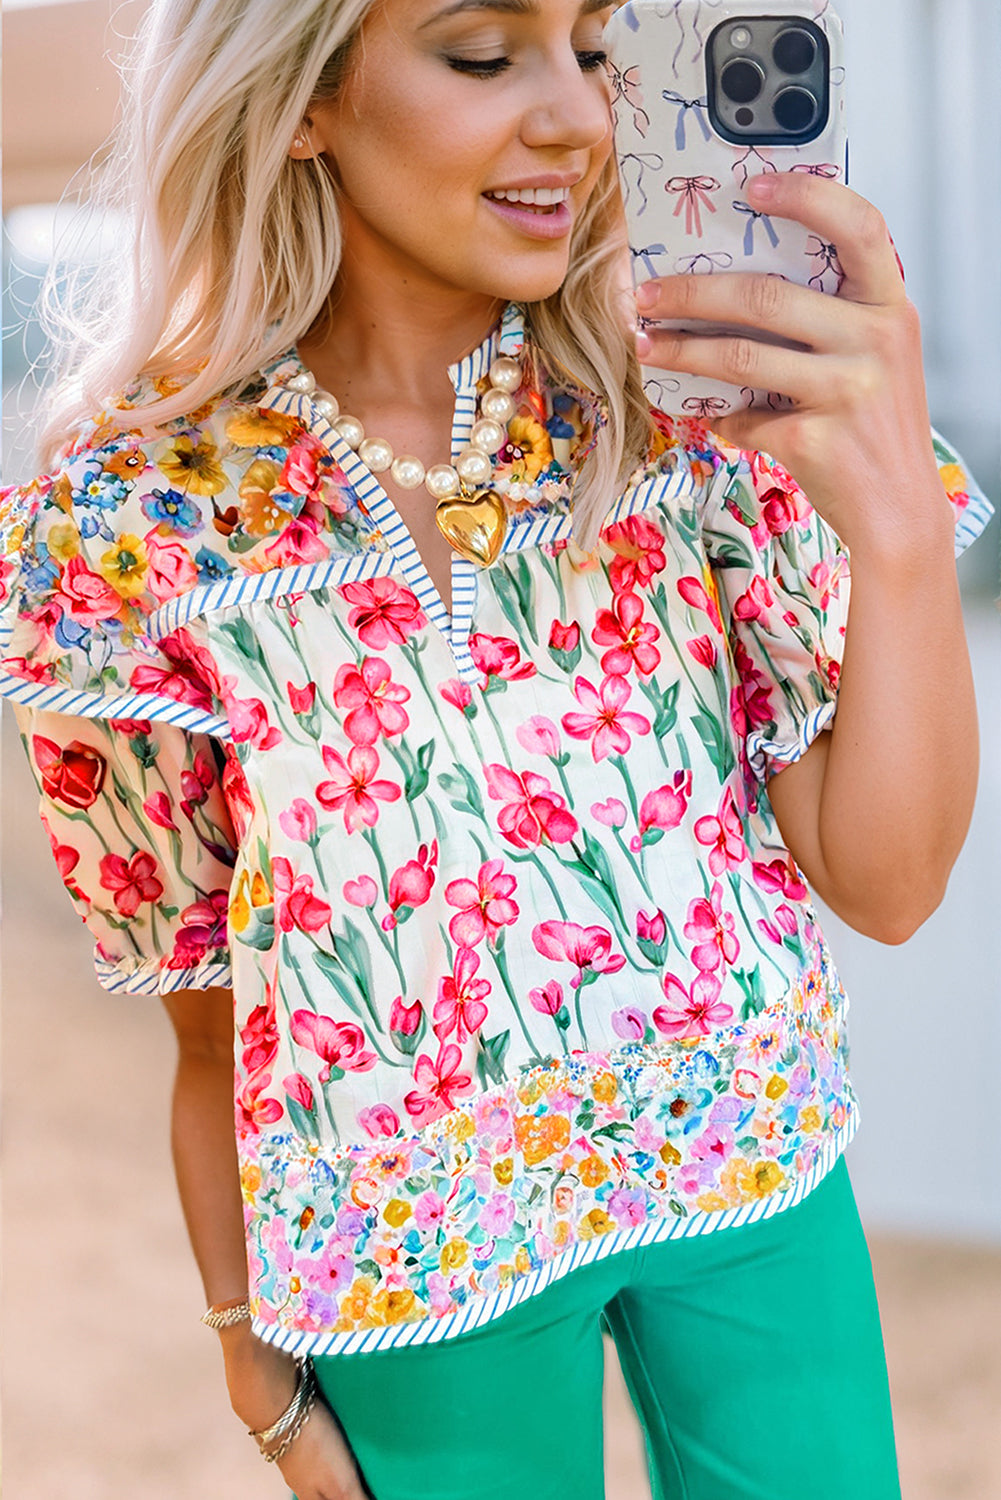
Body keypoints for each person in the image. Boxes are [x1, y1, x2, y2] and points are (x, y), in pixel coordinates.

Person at [0, 0, 992, 1496]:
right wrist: (246, 1349)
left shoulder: (693, 403)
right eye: (482, 54)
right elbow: (206, 1021)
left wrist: (898, 521)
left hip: (755, 1163)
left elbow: (892, 885)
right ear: (300, 97)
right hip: (403, 1241)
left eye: (593, 47)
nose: (582, 119)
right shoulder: (131, 521)